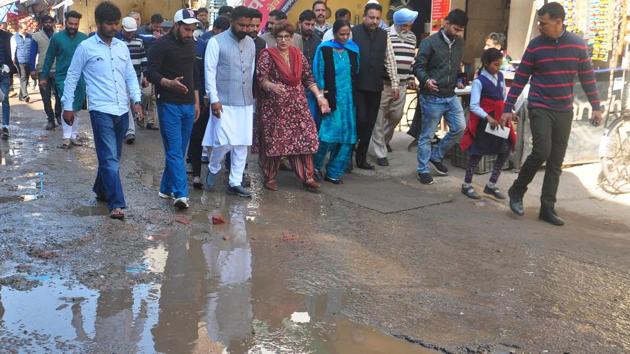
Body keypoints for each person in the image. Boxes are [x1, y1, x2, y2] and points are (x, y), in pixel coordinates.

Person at [503, 2, 602, 226]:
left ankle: (547, 208)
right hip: (540, 106)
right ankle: (517, 191)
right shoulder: (535, 46)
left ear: (559, 22)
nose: (540, 27)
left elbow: (587, 77)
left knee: (556, 161)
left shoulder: (577, 45)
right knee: (541, 151)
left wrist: (596, 106)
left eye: (544, 23)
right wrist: (507, 108)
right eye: (539, 22)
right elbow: (520, 78)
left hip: (564, 109)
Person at [61, 1, 143, 220]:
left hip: (122, 111)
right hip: (100, 110)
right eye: (109, 24)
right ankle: (117, 204)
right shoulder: (86, 48)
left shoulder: (121, 47)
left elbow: (130, 76)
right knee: (109, 159)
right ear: (98, 23)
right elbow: (72, 77)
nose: (114, 27)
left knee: (113, 156)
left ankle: (100, 189)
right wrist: (67, 107)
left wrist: (136, 99)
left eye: (116, 24)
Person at [256, 22, 329, 192]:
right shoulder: (267, 55)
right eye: (280, 37)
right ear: (275, 38)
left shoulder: (298, 54)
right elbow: (262, 79)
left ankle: (307, 177)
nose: (283, 40)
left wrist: (319, 97)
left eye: (286, 37)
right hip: (275, 106)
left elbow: (308, 78)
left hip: (298, 104)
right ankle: (270, 177)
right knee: (276, 141)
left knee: (304, 138)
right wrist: (272, 86)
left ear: (291, 38)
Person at [147, 8, 201, 210]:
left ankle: (165, 188)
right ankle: (181, 194)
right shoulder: (160, 46)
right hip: (168, 103)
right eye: (186, 29)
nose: (190, 33)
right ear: (176, 26)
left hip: (188, 104)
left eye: (192, 29)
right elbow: (150, 72)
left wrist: (196, 101)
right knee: (175, 151)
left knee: (178, 150)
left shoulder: (192, 45)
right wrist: (167, 83)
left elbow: (193, 74)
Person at [203, 6, 255, 198]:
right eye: (241, 25)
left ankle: (235, 182)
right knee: (222, 142)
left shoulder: (251, 43)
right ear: (232, 21)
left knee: (242, 143)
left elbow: (251, 71)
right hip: (223, 101)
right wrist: (213, 99)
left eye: (248, 26)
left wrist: (253, 99)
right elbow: (210, 72)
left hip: (246, 101)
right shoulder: (216, 42)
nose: (245, 28)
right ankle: (214, 167)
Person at [412, 9, 468, 185]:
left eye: (461, 30)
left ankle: (436, 156)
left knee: (460, 127)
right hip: (431, 96)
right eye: (456, 29)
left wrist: (459, 79)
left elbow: (457, 66)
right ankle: (422, 169)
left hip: (451, 95)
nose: (458, 33)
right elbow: (418, 66)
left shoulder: (459, 43)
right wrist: (426, 80)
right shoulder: (429, 43)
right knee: (427, 135)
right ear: (446, 23)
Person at [459, 48, 516, 200]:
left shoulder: (501, 76)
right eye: (495, 65)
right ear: (486, 63)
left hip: (499, 120)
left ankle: (491, 184)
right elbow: (474, 105)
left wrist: (509, 110)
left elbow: (503, 97)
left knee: (504, 150)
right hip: (485, 123)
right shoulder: (479, 81)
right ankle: (466, 185)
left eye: (500, 65)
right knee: (477, 153)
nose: (498, 68)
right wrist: (488, 118)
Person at [352, 2, 399, 170]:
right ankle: (347, 157)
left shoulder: (384, 35)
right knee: (359, 120)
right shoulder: (353, 32)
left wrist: (395, 83)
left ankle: (361, 158)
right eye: (371, 17)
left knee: (370, 123)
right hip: (356, 86)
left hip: (375, 87)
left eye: (377, 18)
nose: (374, 21)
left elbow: (390, 60)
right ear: (365, 16)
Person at [313, 20, 359, 184]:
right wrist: (322, 97)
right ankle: (315, 167)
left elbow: (356, 72)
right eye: (342, 34)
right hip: (330, 99)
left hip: (349, 101)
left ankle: (334, 172)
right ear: (334, 33)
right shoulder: (324, 49)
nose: (345, 37)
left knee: (347, 139)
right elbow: (318, 73)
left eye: (347, 34)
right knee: (327, 137)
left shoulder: (353, 50)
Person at [370, 8, 418, 167]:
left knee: (397, 116)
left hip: (403, 85)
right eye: (404, 25)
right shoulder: (385, 34)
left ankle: (383, 140)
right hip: (384, 84)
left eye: (409, 25)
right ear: (397, 23)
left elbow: (411, 60)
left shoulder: (412, 37)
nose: (407, 28)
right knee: (378, 118)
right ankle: (380, 152)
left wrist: (411, 76)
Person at [189, 16, 230, 189]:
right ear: (216, 30)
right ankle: (196, 174)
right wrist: (201, 97)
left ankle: (225, 172)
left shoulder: (229, 48)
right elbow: (197, 74)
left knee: (224, 137)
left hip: (220, 100)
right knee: (197, 135)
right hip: (203, 99)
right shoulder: (202, 46)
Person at [40, 10, 88, 149]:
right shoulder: (57, 38)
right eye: (70, 23)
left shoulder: (84, 39)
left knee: (77, 107)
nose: (73, 26)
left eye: (76, 24)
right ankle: (66, 137)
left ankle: (73, 135)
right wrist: (43, 76)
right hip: (62, 78)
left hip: (80, 78)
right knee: (68, 104)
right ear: (65, 23)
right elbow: (49, 57)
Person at [30, 15, 61, 130]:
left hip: (57, 69)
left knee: (59, 96)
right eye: (46, 22)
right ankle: (50, 119)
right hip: (43, 71)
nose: (48, 24)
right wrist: (32, 69)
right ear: (42, 24)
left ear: (53, 23)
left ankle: (58, 114)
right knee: (46, 97)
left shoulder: (59, 35)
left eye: (50, 22)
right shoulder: (36, 36)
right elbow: (32, 54)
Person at [120, 16, 148, 144]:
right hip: (121, 78)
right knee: (126, 102)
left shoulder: (139, 41)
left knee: (136, 101)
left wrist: (145, 76)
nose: (131, 34)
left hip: (136, 77)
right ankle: (130, 131)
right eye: (128, 32)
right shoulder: (117, 42)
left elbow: (143, 58)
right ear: (122, 29)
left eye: (132, 32)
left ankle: (138, 118)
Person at [297, 10, 322, 121]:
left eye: (312, 25)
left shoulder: (317, 39)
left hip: (312, 83)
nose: (310, 28)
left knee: (311, 116)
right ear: (300, 23)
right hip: (297, 83)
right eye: (307, 24)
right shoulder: (293, 38)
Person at [0, 27, 16, 139]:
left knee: (4, 99)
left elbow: (11, 55)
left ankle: (5, 126)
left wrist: (10, 71)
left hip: (4, 71)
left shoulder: (7, 36)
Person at [11, 21, 33, 103]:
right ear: (20, 28)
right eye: (25, 28)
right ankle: (25, 95)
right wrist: (13, 59)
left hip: (28, 60)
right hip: (19, 61)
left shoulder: (30, 36)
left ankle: (21, 95)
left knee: (26, 78)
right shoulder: (14, 37)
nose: (26, 30)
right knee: (23, 77)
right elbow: (13, 49)